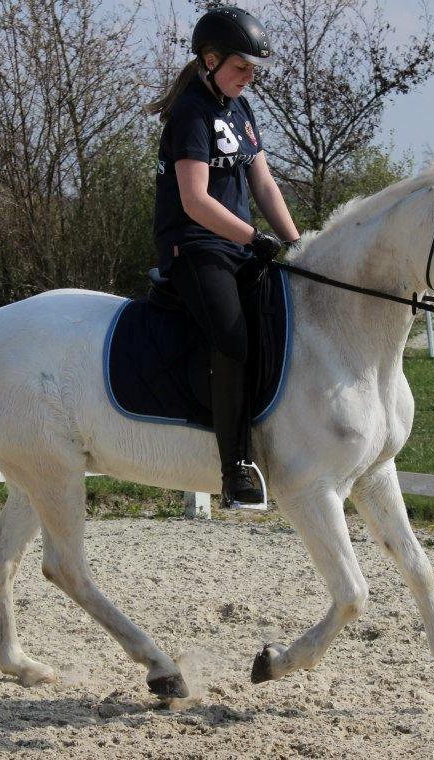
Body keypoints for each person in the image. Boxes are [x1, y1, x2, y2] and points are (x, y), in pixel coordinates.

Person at [145, 6, 300, 509]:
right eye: (241, 68)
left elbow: (264, 182)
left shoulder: (240, 108)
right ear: (210, 60)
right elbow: (194, 201)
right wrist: (253, 237)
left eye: (254, 70)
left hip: (236, 243)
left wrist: (296, 244)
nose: (249, 77)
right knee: (232, 339)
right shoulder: (191, 112)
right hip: (194, 246)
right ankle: (235, 466)